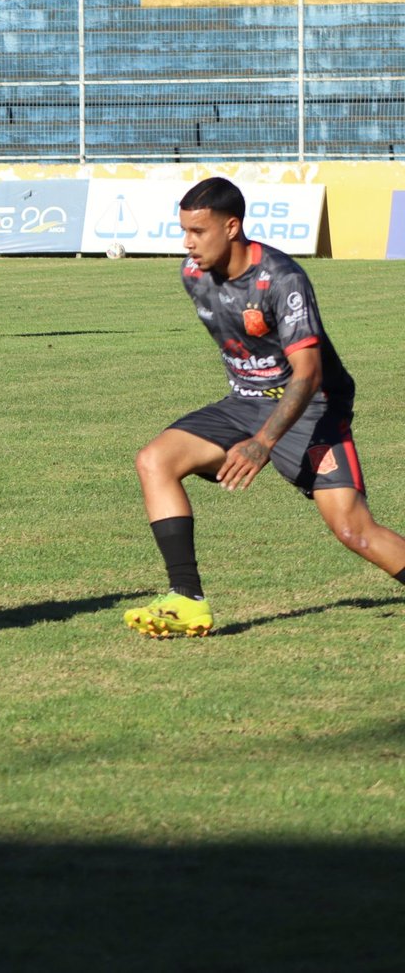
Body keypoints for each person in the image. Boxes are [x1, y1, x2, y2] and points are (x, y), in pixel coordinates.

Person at [123, 176, 405, 638]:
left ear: (232, 227)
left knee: (355, 531)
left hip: (312, 410)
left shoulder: (283, 279)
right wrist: (250, 429)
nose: (187, 244)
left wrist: (263, 444)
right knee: (155, 460)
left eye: (198, 232)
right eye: (184, 231)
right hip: (244, 405)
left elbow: (308, 373)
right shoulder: (193, 276)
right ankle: (187, 599)